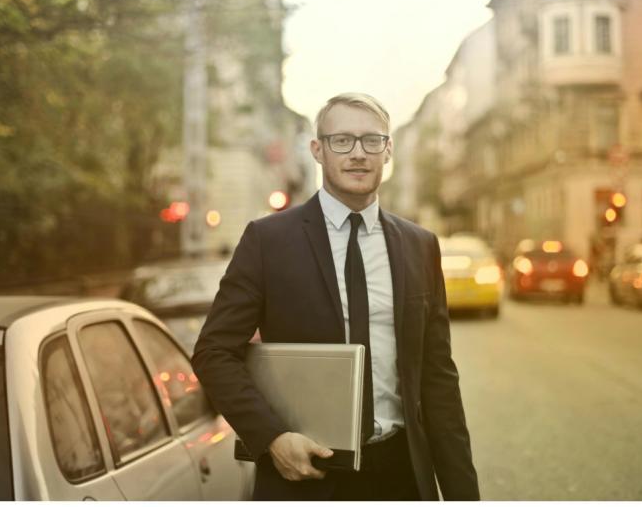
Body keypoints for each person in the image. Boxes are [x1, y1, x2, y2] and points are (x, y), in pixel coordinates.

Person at [192, 92, 479, 501]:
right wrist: (271, 437)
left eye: (371, 140)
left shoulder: (420, 245)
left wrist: (462, 494)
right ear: (318, 150)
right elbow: (213, 351)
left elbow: (438, 378)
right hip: (304, 471)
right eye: (342, 140)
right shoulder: (268, 240)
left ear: (388, 150)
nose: (358, 154)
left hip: (401, 473)